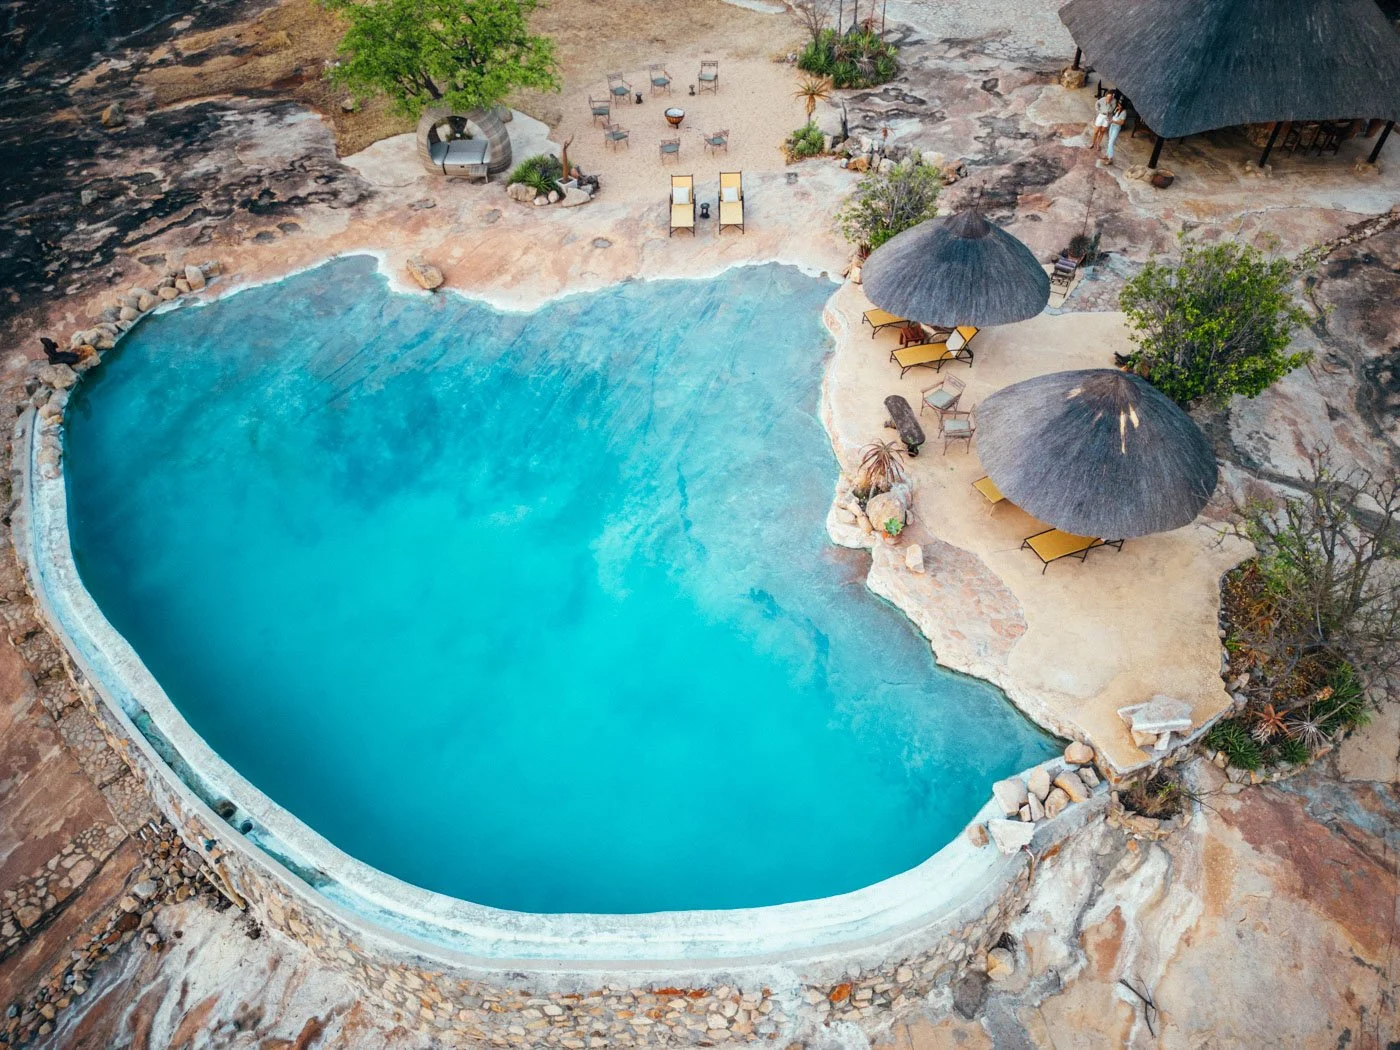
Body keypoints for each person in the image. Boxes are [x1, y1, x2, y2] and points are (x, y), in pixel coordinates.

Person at [1102, 96, 1128, 165]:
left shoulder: (1124, 112)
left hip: (1116, 128)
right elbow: (1114, 117)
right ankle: (1107, 155)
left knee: (1111, 142)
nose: (1118, 105)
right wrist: (1109, 116)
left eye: (1119, 105)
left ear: (1123, 106)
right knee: (1110, 140)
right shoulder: (1117, 109)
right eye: (1118, 104)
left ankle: (1110, 158)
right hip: (1112, 126)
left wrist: (1113, 121)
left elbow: (1122, 123)